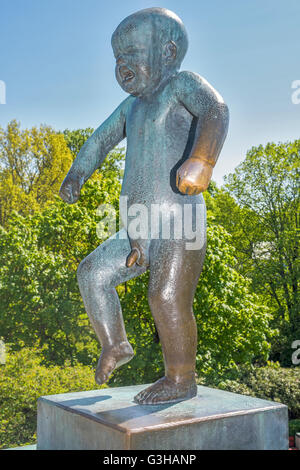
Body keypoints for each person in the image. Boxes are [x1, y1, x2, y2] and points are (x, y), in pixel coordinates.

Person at [59, 7, 229, 404]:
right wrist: (76, 174)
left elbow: (216, 110)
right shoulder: (130, 107)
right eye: (117, 58)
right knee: (93, 273)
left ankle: (181, 377)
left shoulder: (181, 85)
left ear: (168, 53)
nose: (122, 66)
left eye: (132, 54)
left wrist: (202, 160)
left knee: (166, 297)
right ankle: (115, 343)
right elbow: (99, 141)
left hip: (180, 223)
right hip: (138, 227)